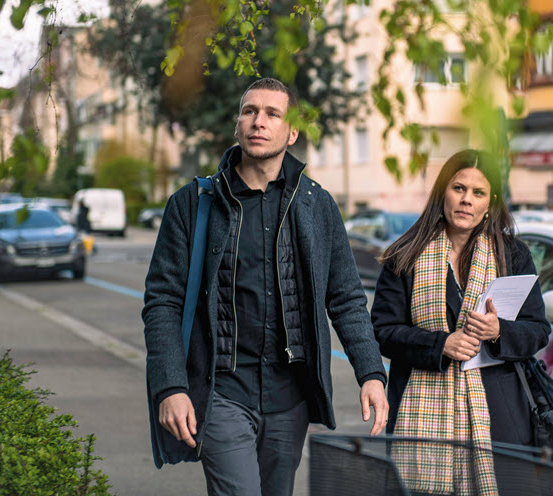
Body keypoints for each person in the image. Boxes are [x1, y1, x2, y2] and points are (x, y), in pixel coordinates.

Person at [142, 77, 388, 496]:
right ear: (237, 125)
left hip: (288, 399)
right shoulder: (192, 202)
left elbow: (345, 298)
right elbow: (162, 301)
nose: (259, 121)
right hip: (221, 393)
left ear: (291, 133)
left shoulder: (316, 204)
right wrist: (170, 386)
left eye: (272, 114)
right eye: (249, 111)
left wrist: (371, 373)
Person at [371, 149, 550, 495]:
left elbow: (538, 330)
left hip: (499, 418)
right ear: (443, 192)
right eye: (458, 188)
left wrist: (500, 332)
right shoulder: (404, 254)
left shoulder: (511, 254)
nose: (467, 200)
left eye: (478, 193)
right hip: (421, 418)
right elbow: (383, 332)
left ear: (491, 201)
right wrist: (441, 345)